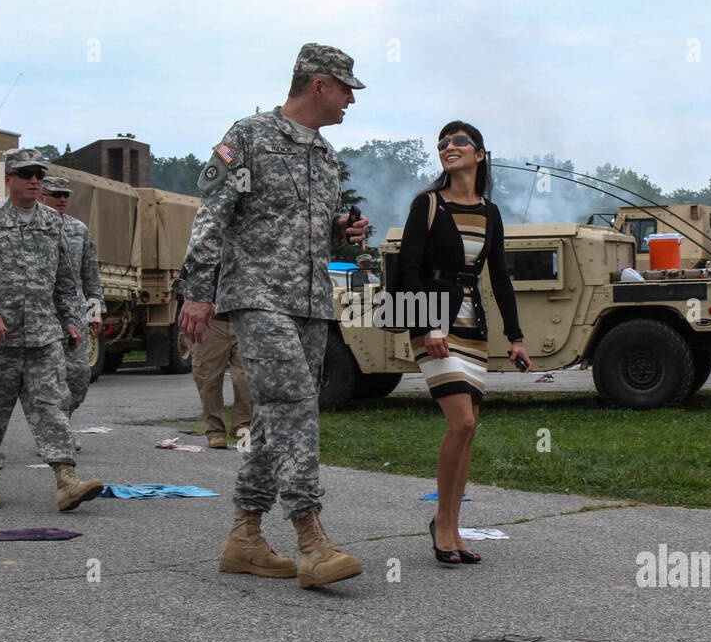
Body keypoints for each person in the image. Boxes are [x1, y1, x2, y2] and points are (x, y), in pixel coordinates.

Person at [179, 42, 370, 589]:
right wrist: (196, 291)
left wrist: (343, 232)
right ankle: (311, 538)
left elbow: (301, 225)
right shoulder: (250, 135)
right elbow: (212, 217)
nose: (350, 102)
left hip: (309, 302)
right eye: (345, 90)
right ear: (318, 85)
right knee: (292, 406)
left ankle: (244, 537)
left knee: (271, 418)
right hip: (256, 295)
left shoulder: (327, 156)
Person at [396, 121, 531, 565]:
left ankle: (450, 527)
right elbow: (409, 271)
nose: (448, 148)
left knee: (469, 428)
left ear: (480, 154)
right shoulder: (428, 204)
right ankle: (444, 524)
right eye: (442, 144)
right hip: (434, 326)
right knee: (462, 423)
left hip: (474, 329)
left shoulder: (490, 212)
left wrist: (516, 336)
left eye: (459, 142)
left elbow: (500, 277)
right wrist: (431, 323)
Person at [0, 148, 102, 512]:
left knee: (52, 406)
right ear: (9, 179)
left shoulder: (54, 223)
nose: (34, 180)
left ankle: (66, 480)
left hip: (42, 337)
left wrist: (72, 318)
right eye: (25, 174)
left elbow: (66, 279)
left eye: (38, 174)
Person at [39, 175, 103, 451]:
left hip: (74, 313)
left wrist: (95, 310)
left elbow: (90, 273)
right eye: (56, 195)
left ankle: (63, 419)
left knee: (78, 375)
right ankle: (52, 433)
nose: (62, 199)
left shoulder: (78, 230)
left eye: (65, 195)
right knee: (46, 377)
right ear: (42, 196)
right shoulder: (32, 227)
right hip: (41, 313)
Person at [180, 264, 252, 450]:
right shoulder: (205, 243)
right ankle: (215, 431)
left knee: (246, 377)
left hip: (245, 318)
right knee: (208, 377)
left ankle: (243, 428)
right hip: (212, 320)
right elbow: (186, 276)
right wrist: (196, 299)